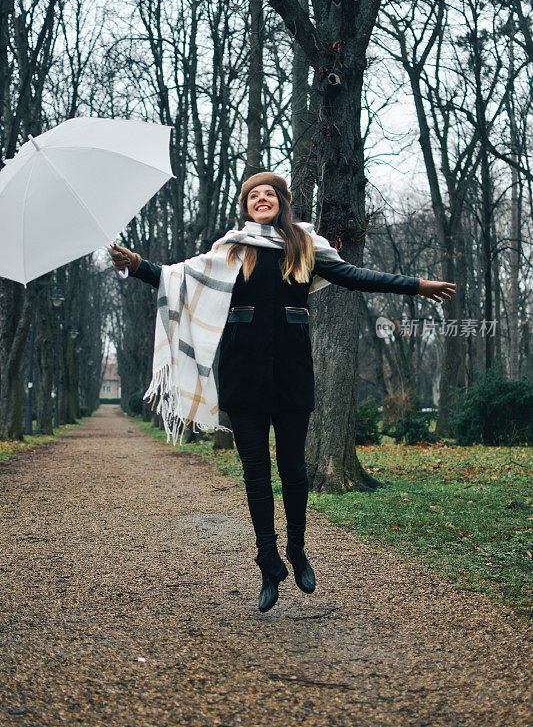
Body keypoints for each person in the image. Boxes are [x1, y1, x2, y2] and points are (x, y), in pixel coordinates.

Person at [109, 171, 456, 613]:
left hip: (292, 373)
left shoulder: (304, 246)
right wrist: (136, 264)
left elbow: (355, 276)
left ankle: (296, 548)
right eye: (253, 194)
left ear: (282, 202)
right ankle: (268, 561)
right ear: (245, 204)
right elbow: (175, 278)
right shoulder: (230, 250)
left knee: (292, 467)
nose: (261, 199)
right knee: (255, 471)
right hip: (242, 376)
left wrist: (416, 286)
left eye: (269, 193)